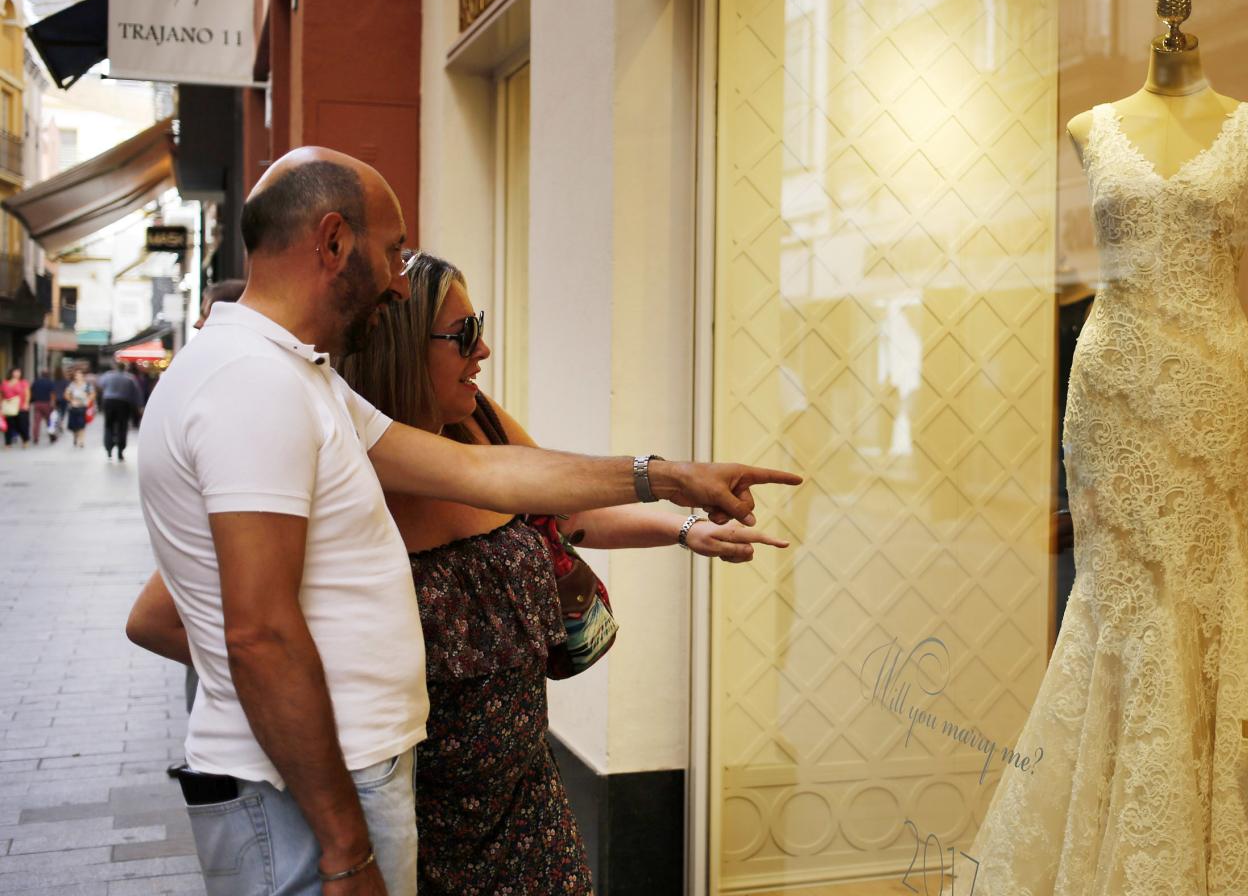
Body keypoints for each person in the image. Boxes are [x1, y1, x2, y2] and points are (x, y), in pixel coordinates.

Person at [123, 146, 800, 896]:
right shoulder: (252, 385)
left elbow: (483, 473)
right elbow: (256, 633)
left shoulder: (293, 377)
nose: (396, 278)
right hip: (312, 794)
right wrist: (345, 850)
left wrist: (671, 480)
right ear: (334, 241)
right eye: (393, 250)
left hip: (397, 784)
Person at [328, 252, 790, 894]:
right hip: (407, 812)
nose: (483, 349)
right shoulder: (343, 467)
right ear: (402, 349)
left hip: (527, 805)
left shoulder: (481, 426)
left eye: (480, 326)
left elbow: (570, 514)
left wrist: (687, 528)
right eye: (463, 333)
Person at [96, 365, 145, 460]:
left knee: (108, 426)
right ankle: (120, 450)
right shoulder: (130, 378)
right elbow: (136, 392)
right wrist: (140, 405)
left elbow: (100, 384)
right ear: (125, 368)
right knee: (122, 427)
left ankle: (109, 448)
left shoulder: (108, 375)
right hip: (123, 403)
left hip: (109, 401)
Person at [63, 370, 94, 448]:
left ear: (82, 376)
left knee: (81, 425)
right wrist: (71, 400)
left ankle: (81, 441)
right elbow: (66, 394)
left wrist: (88, 400)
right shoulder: (72, 385)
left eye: (79, 375)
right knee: (74, 426)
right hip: (73, 407)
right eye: (76, 375)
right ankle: (75, 436)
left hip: (83, 407)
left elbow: (92, 394)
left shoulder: (87, 385)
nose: (78, 377)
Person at [29, 369, 58, 444]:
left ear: (41, 374)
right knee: (49, 421)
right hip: (47, 404)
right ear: (48, 375)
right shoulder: (50, 382)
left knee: (36, 422)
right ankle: (52, 436)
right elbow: (52, 394)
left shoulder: (36, 382)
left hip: (37, 404)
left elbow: (31, 391)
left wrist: (31, 400)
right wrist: (53, 403)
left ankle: (35, 438)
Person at [1, 368, 27, 446]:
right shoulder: (5, 382)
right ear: (11, 373)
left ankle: (25, 439)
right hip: (8, 407)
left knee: (20, 425)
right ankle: (8, 443)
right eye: (15, 372)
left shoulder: (23, 382)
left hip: (20, 407)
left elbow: (27, 393)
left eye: (19, 372)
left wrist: (26, 403)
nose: (17, 373)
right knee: (8, 425)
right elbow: (1, 394)